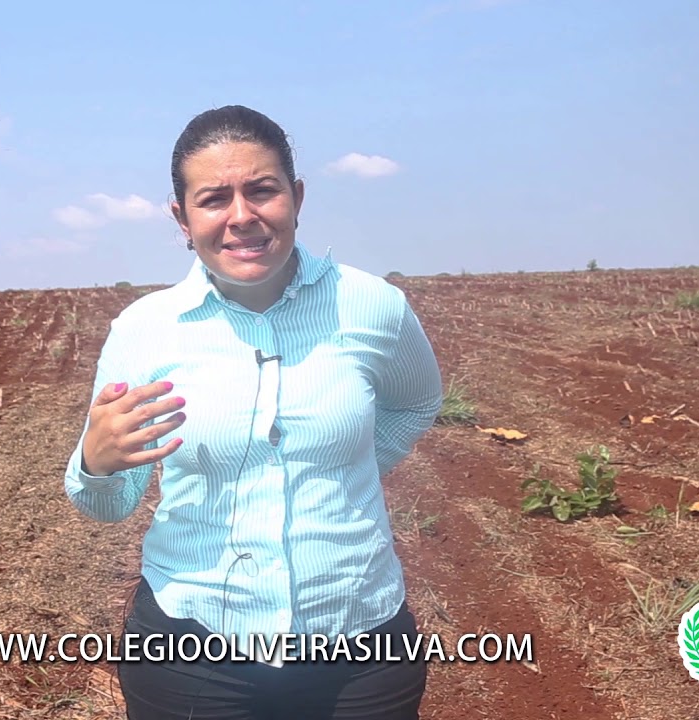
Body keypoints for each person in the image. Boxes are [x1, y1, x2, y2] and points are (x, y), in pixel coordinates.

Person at [63, 105, 444, 719]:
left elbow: (417, 399)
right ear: (182, 218)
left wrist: (345, 471)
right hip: (191, 653)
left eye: (262, 190)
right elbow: (109, 505)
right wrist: (96, 463)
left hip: (361, 646)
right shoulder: (145, 332)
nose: (242, 216)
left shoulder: (373, 306)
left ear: (295, 197)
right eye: (214, 199)